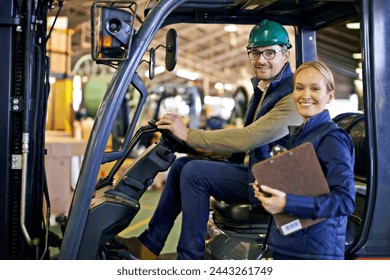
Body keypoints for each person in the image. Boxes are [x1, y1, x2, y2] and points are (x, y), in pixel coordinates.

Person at [116, 19, 303, 259]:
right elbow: (252, 144)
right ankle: (150, 244)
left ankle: (189, 259)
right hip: (258, 171)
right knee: (183, 165)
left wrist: (190, 135)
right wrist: (199, 149)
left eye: (270, 53)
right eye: (255, 53)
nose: (261, 60)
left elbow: (250, 137)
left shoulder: (291, 94)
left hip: (273, 181)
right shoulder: (265, 89)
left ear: (286, 54)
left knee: (196, 174)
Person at [253, 61, 356, 260]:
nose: (305, 95)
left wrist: (286, 203)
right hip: (290, 245)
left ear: (330, 96)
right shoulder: (301, 135)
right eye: (299, 88)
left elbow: (345, 201)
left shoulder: (332, 139)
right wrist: (268, 188)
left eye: (315, 89)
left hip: (314, 253)